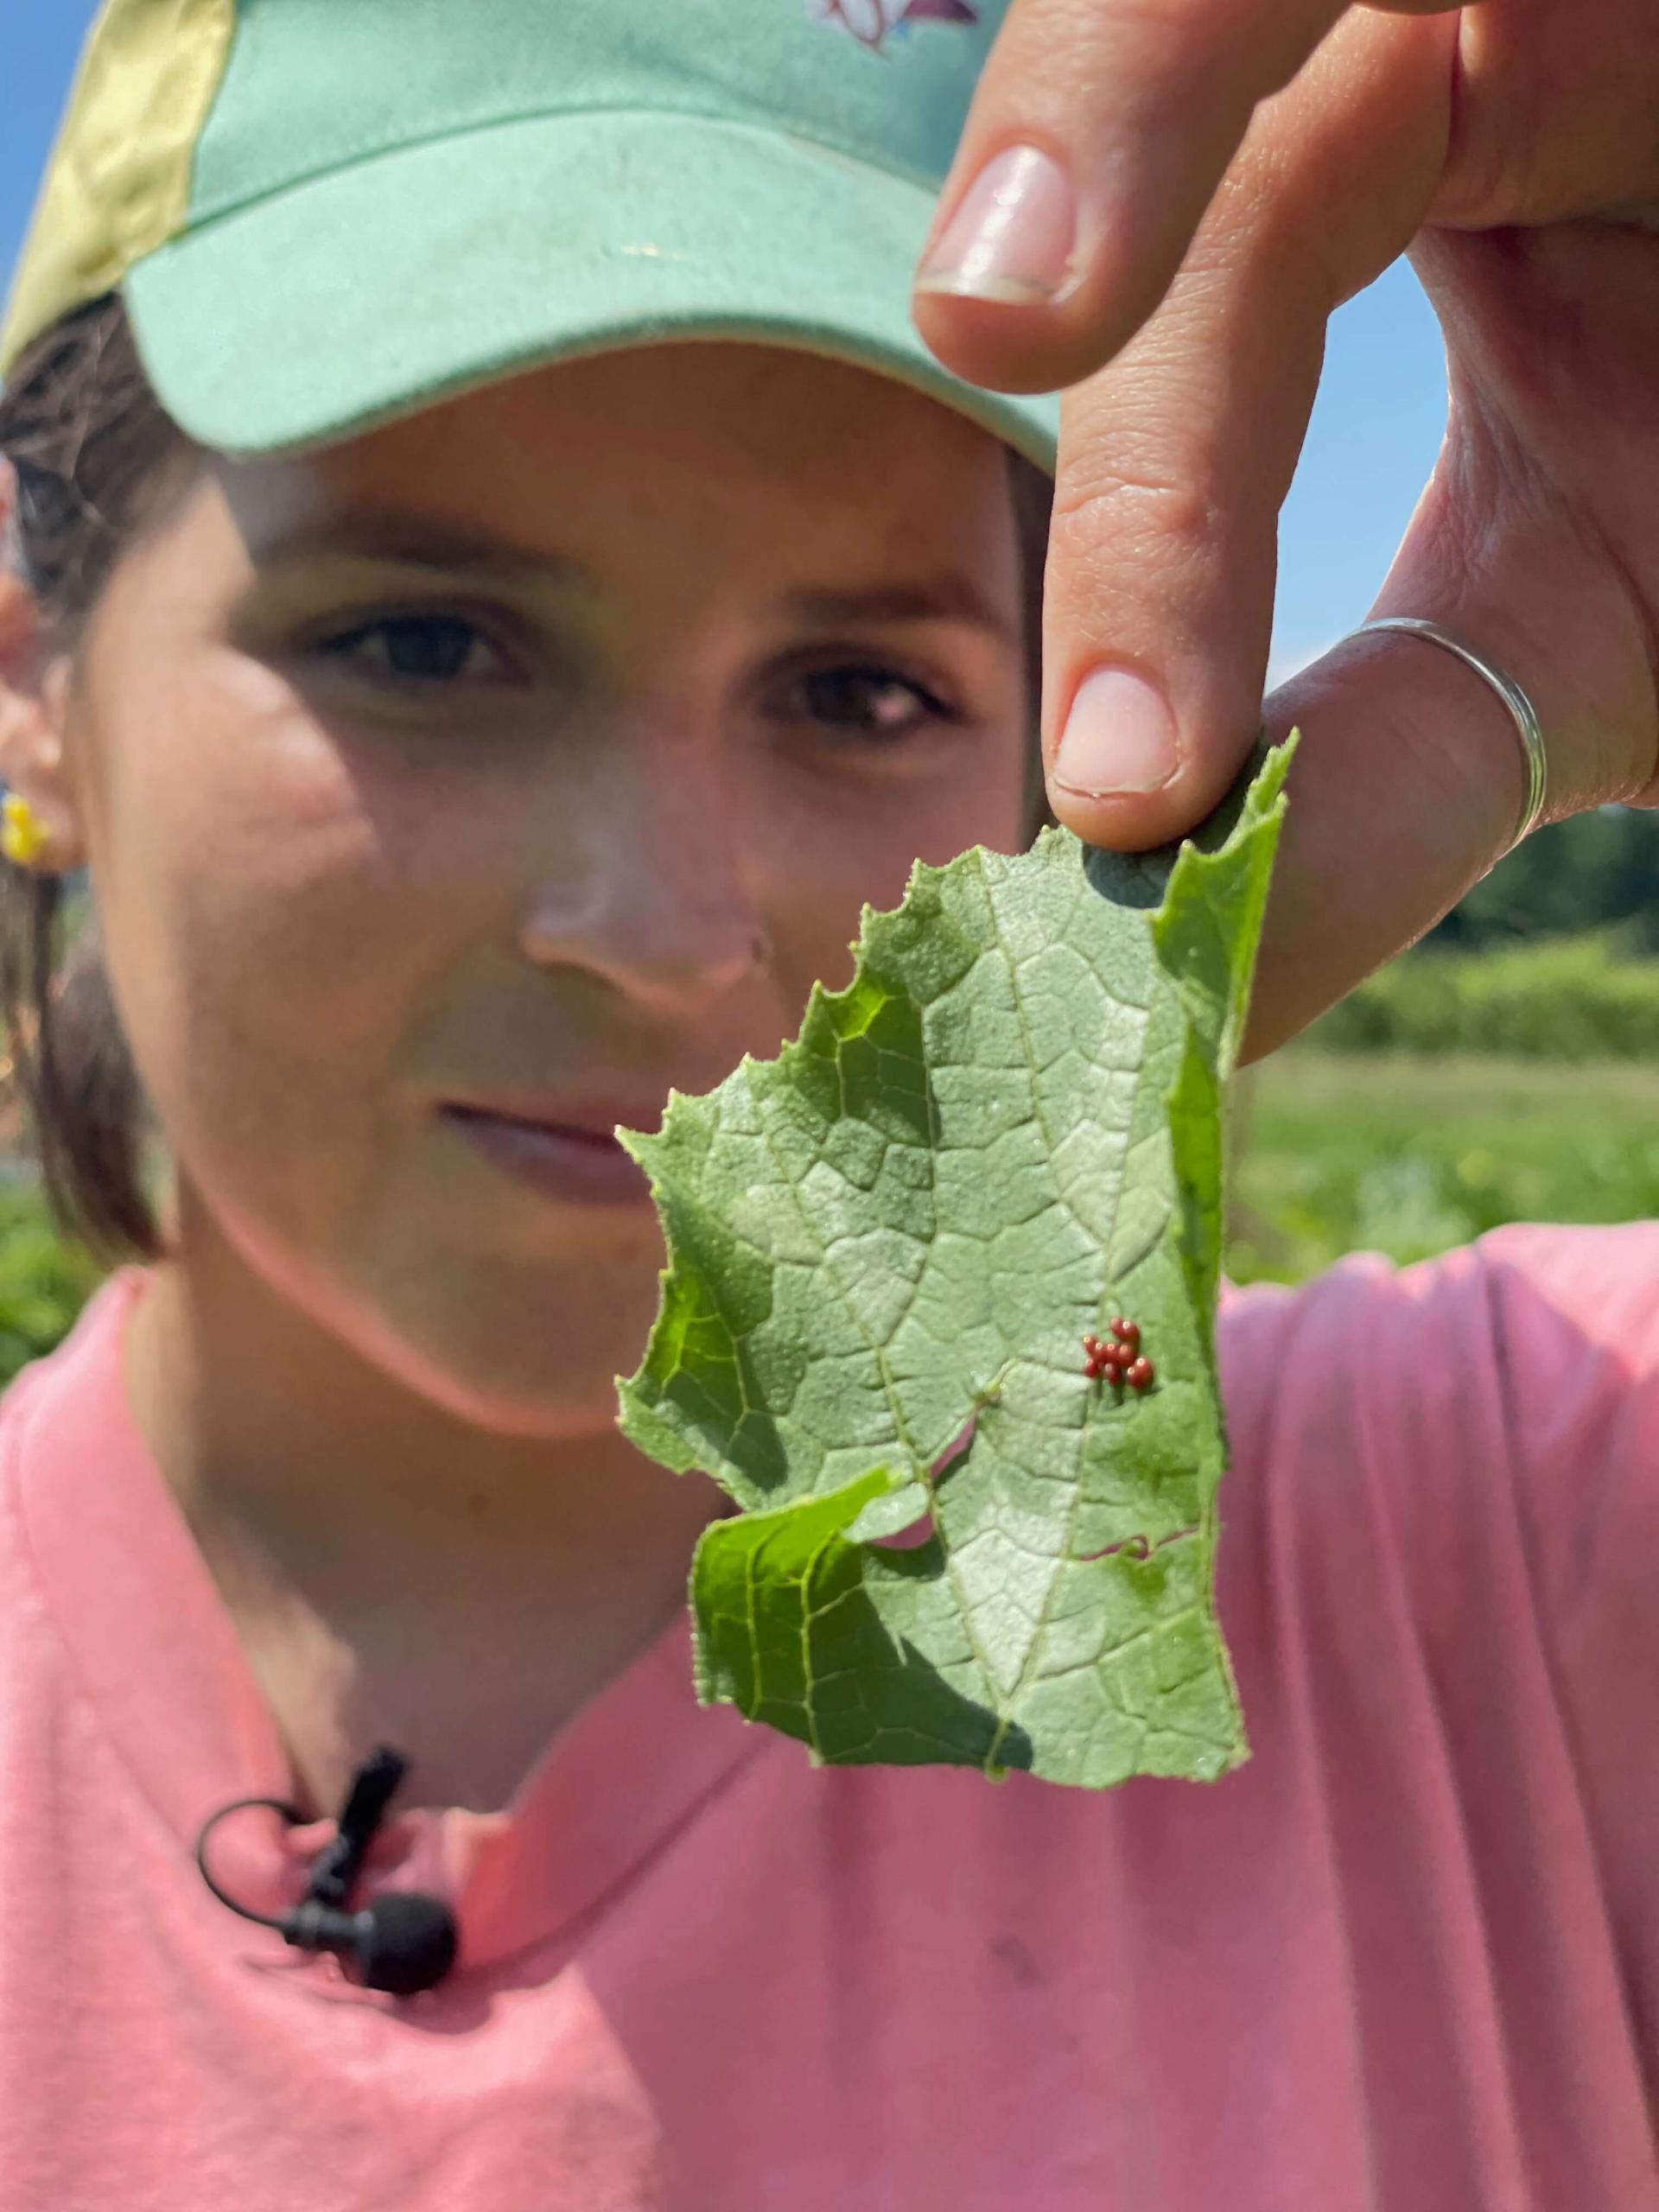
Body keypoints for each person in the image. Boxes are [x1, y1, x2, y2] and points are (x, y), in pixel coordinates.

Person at [0, 3, 1652, 2209]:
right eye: (424, 640)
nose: (668, 924)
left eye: (860, 690)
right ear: (31, 678)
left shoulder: (1514, 1558)